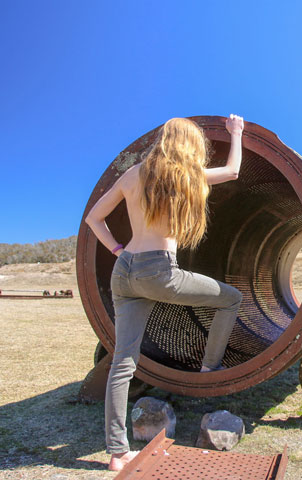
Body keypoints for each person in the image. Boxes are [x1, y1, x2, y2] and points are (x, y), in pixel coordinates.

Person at [84, 114, 245, 471]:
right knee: (231, 298)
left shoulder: (132, 174)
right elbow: (233, 170)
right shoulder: (186, 175)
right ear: (189, 145)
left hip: (123, 271)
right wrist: (236, 133)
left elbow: (94, 218)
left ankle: (116, 453)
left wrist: (115, 249)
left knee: (123, 363)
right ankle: (209, 370)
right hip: (158, 270)